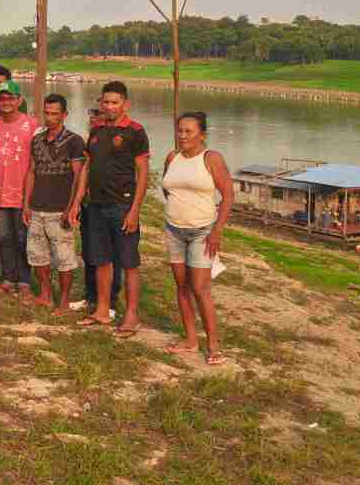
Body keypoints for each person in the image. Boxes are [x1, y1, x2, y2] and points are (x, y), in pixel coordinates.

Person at [69, 81, 150, 334]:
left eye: (115, 102)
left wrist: (135, 209)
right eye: (106, 102)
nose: (110, 107)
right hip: (96, 206)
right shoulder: (96, 131)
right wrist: (76, 203)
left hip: (122, 206)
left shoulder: (136, 132)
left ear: (125, 104)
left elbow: (143, 172)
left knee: (128, 262)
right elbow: (86, 168)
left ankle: (131, 315)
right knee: (101, 259)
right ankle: (102, 311)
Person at [161, 112, 234, 365]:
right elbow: (167, 187)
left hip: (202, 232)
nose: (183, 136)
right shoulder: (172, 157)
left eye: (188, 131)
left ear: (202, 135)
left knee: (200, 289)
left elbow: (228, 196)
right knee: (181, 287)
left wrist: (217, 230)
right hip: (173, 230)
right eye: (180, 130)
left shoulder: (211, 158)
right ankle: (190, 340)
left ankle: (213, 345)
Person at [23, 94, 85, 314]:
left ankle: (64, 301)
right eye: (46, 113)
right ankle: (45, 294)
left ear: (64, 115)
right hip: (37, 207)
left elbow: (79, 178)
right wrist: (26, 204)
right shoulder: (37, 140)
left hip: (60, 210)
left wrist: (72, 208)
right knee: (37, 256)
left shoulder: (75, 141)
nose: (49, 118)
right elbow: (31, 172)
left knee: (64, 259)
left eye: (54, 114)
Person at [0, 81, 38, 298]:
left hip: (22, 193)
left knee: (22, 238)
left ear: (19, 100)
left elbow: (35, 162)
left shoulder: (32, 125)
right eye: (2, 98)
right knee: (3, 237)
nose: (6, 102)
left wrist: (32, 196)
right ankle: (7, 277)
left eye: (11, 98)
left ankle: (24, 280)